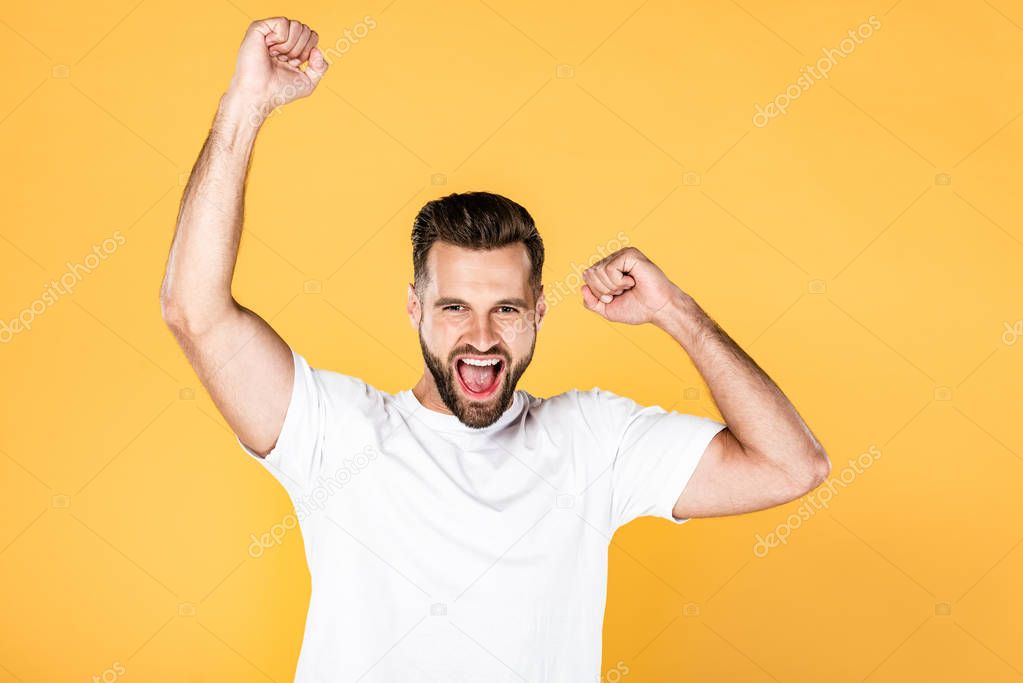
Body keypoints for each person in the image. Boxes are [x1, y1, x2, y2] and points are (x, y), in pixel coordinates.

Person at [160, 16, 831, 682]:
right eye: (454, 307)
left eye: (505, 309)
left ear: (539, 309)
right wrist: (246, 106)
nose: (481, 338)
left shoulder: (591, 440)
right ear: (414, 308)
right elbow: (194, 312)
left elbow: (790, 465)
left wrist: (676, 313)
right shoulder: (334, 434)